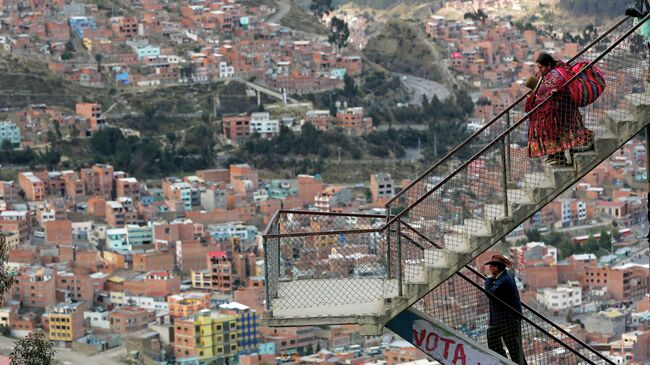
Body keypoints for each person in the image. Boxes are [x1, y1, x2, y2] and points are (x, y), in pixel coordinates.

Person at [525, 53, 594, 166]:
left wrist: (552, 92)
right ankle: (556, 154)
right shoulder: (545, 74)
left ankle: (560, 155)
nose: (540, 70)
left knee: (559, 132)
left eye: (541, 67)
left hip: (562, 110)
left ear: (548, 65)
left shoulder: (558, 74)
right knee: (554, 133)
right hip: (553, 111)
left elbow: (559, 87)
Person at [484, 254, 527, 365]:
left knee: (514, 350)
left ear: (497, 268)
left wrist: (488, 279)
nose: (489, 268)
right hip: (502, 321)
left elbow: (490, 293)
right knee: (497, 343)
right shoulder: (504, 277)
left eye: (491, 266)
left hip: (508, 321)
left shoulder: (504, 280)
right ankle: (505, 362)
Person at [626, 0, 650, 82]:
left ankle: (648, 73)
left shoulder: (640, 5)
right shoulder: (643, 5)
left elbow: (636, 24)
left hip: (645, 36)